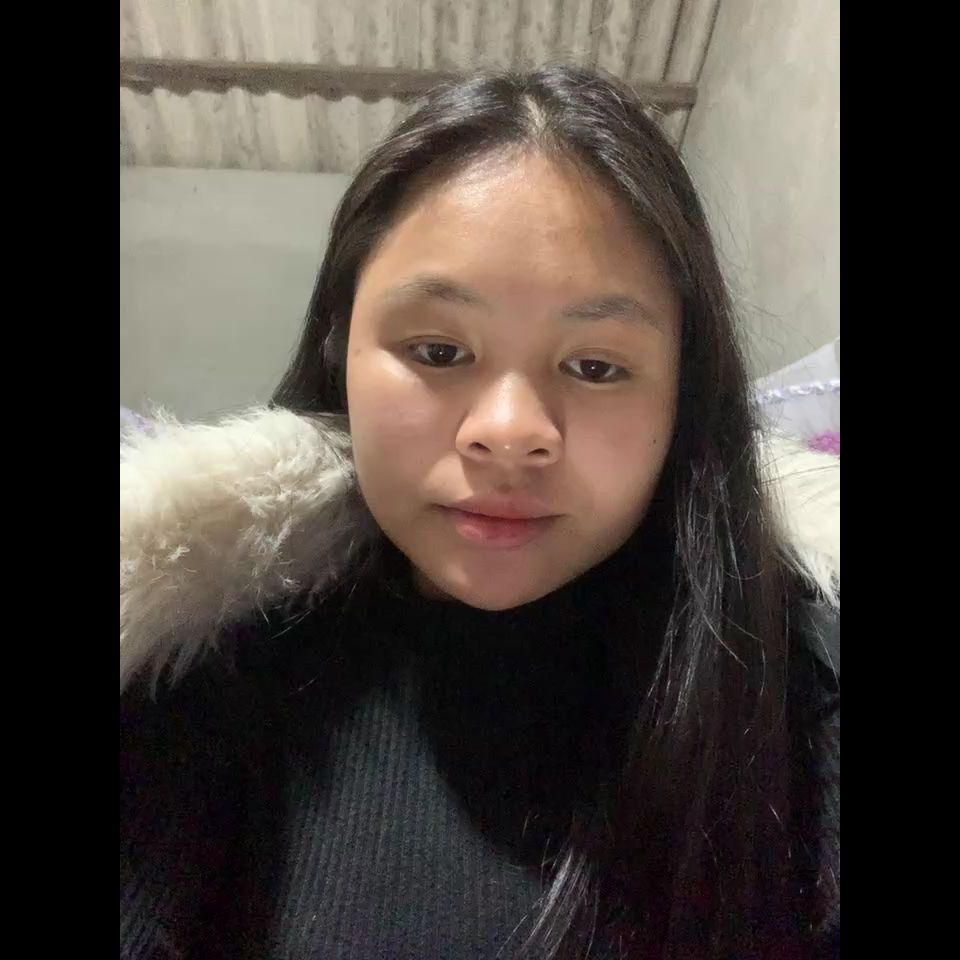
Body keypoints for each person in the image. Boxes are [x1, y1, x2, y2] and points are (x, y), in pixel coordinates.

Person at [120, 65, 839, 960]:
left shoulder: (798, 686)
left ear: (682, 398)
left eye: (596, 366)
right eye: (438, 350)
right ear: (342, 353)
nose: (508, 432)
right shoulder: (192, 676)